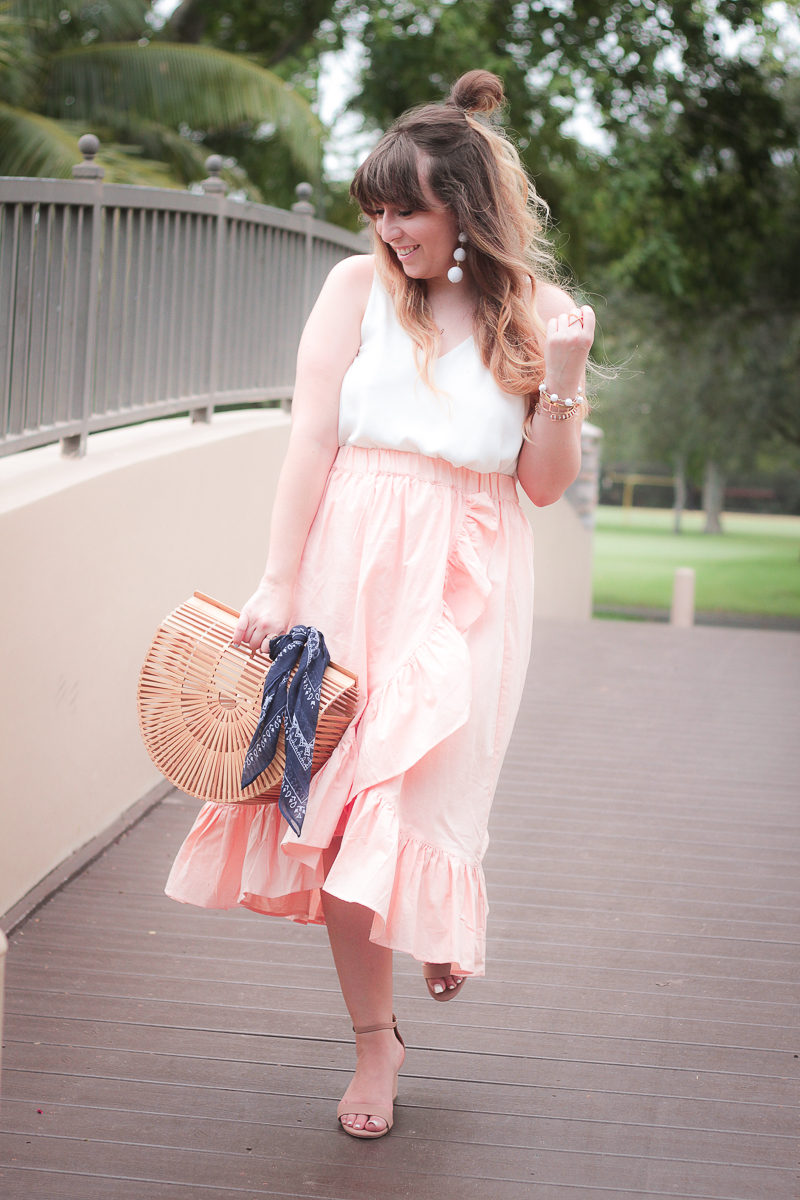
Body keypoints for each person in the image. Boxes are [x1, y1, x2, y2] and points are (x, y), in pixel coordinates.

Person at [165, 68, 595, 1140]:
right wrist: (275, 578)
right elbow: (311, 438)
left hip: (467, 573)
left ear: (466, 209)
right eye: (376, 208)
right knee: (345, 804)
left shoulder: (538, 314)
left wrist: (567, 374)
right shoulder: (352, 291)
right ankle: (375, 1045)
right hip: (346, 560)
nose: (387, 229)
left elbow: (541, 484)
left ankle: (435, 905)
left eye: (406, 209)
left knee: (430, 793)